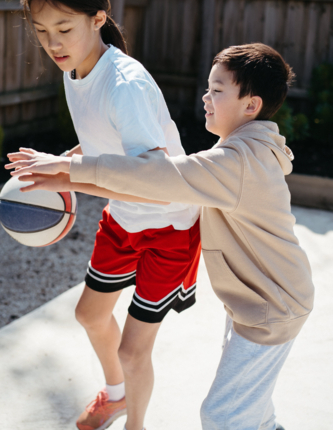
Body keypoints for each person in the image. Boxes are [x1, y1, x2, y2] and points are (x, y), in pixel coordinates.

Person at [8, 43, 315, 430]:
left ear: (250, 105)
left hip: (271, 309)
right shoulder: (244, 147)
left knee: (223, 416)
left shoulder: (236, 162)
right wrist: (70, 167)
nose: (205, 97)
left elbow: (160, 176)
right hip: (262, 300)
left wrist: (69, 167)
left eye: (217, 90)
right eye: (208, 87)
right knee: (253, 412)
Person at [12, 0, 201, 430]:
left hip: (169, 225)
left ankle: (135, 424)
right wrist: (61, 166)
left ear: (98, 17)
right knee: (91, 315)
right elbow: (101, 142)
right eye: (41, 31)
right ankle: (115, 398)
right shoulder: (74, 70)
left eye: (64, 27)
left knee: (133, 352)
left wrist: (67, 173)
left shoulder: (126, 85)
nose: (53, 43)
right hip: (124, 217)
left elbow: (156, 184)